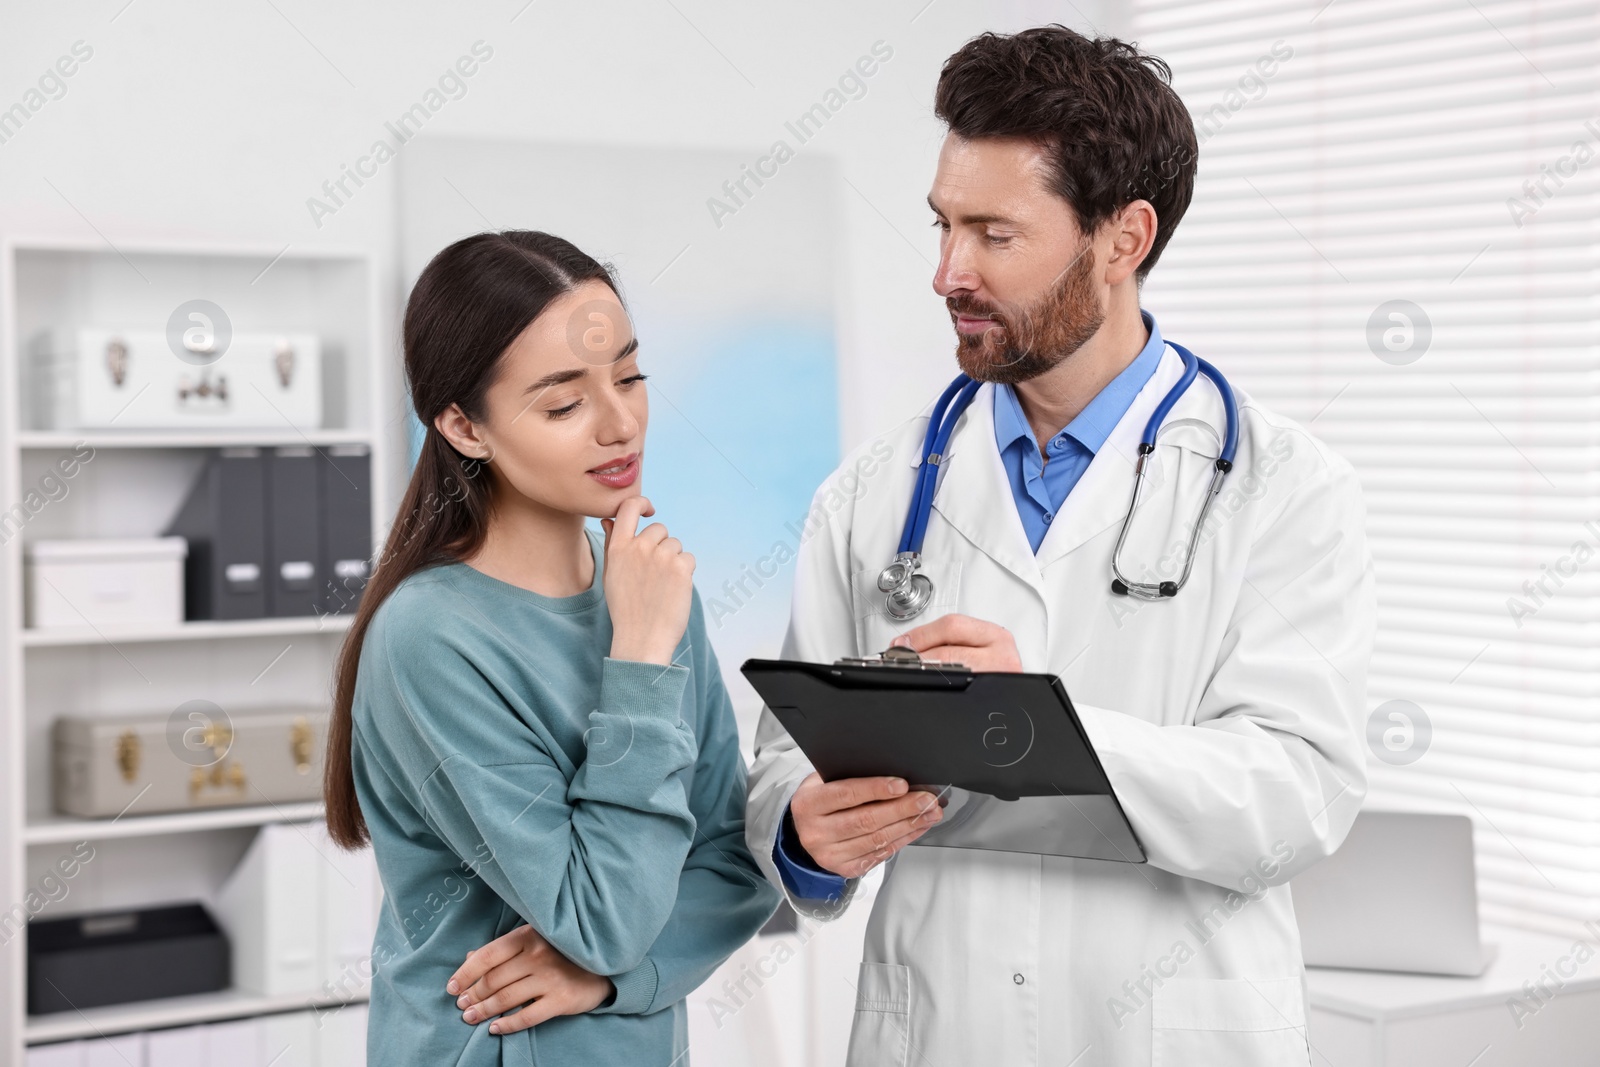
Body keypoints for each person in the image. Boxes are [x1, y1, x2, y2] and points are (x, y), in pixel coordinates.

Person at [746, 26, 1376, 1066]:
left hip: (1170, 1030)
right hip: (941, 1025)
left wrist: (1044, 724)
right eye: (943, 225)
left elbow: (1296, 798)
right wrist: (804, 832)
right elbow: (782, 765)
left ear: (1121, 238)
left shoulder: (1282, 486)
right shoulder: (872, 491)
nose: (948, 270)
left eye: (995, 234)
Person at [324, 230, 779, 1065]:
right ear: (464, 424)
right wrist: (638, 661)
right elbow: (604, 917)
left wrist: (609, 982)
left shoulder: (647, 584)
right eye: (564, 403)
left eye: (631, 377)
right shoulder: (431, 636)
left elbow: (733, 858)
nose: (619, 423)